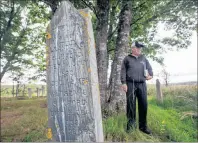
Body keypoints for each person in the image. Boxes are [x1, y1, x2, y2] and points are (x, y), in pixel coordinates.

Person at [120, 41, 153, 134]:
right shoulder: (127, 59)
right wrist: (123, 83)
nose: (139, 49)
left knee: (143, 105)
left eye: (140, 48)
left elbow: (150, 70)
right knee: (131, 105)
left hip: (142, 84)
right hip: (130, 84)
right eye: (138, 48)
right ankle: (131, 127)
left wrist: (150, 76)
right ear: (133, 48)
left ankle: (143, 127)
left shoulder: (144, 58)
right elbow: (123, 71)